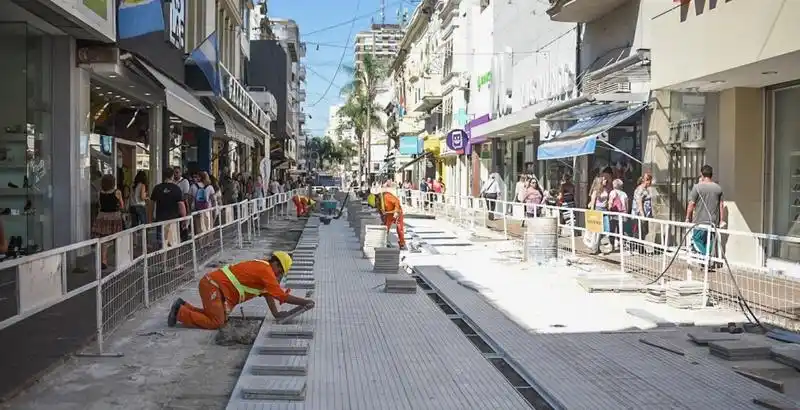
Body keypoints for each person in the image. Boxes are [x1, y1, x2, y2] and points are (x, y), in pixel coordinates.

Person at [168, 251, 315, 330]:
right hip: (213, 286)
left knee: (219, 318)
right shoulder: (266, 271)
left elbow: (268, 294)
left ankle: (183, 306)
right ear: (275, 263)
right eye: (280, 271)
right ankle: (180, 313)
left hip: (214, 286)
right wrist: (305, 302)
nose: (279, 275)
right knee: (216, 322)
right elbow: (281, 295)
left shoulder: (264, 269)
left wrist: (276, 313)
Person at [686, 164, 725, 258]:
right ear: (712, 175)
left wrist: (688, 217)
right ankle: (708, 261)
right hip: (713, 221)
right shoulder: (718, 188)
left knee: (696, 239)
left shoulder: (697, 188)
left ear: (701, 174)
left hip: (700, 220)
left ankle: (705, 256)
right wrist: (721, 220)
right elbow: (721, 205)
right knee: (709, 242)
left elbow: (691, 204)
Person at [92, 174, 124, 269]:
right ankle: (118, 259)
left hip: (102, 217)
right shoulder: (117, 192)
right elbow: (122, 205)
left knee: (104, 240)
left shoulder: (99, 193)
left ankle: (104, 261)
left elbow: (99, 205)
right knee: (116, 238)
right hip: (115, 216)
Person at [150, 169, 187, 248]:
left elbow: (151, 205)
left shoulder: (157, 188)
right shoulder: (176, 189)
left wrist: (150, 217)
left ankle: (163, 259)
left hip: (160, 219)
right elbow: (181, 205)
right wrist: (184, 219)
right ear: (172, 176)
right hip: (173, 220)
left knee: (162, 243)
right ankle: (175, 259)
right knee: (173, 243)